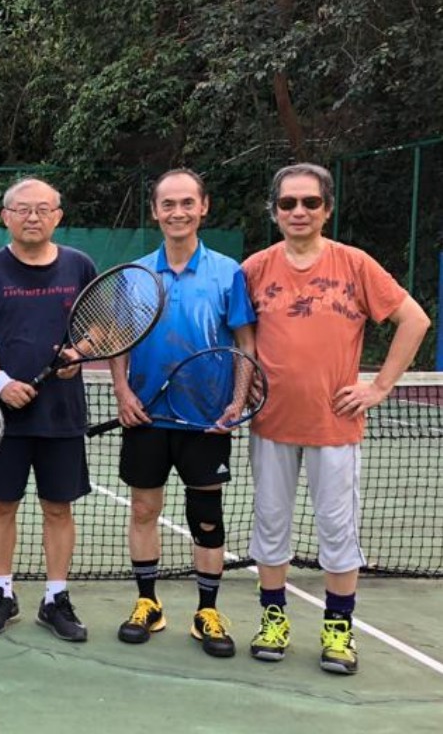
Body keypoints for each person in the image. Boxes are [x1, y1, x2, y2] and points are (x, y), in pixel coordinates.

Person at [243, 163, 429, 675]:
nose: (298, 212)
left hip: (335, 427)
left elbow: (414, 319)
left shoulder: (355, 264)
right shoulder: (255, 268)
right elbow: (240, 337)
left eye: (309, 203)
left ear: (327, 208)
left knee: (338, 531)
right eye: (288, 204)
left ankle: (338, 630)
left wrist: (380, 387)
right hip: (271, 425)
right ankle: (273, 619)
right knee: (271, 526)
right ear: (275, 210)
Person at [104, 170, 255, 657]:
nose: (177, 212)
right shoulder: (138, 274)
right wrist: (123, 391)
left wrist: (236, 401)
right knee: (145, 510)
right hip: (147, 417)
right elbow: (120, 341)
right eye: (168, 204)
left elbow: (244, 343)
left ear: (204, 206)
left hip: (206, 419)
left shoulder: (229, 271)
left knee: (205, 516)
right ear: (155, 211)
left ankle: (207, 610)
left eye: (187, 202)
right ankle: (148, 603)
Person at [0, 177, 95, 642]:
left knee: (58, 509)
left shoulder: (80, 265)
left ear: (58, 216)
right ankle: (2, 593)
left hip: (63, 415)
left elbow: (97, 328)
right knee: (3, 505)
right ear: (5, 217)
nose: (32, 217)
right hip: (2, 417)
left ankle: (56, 597)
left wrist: (79, 354)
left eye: (42, 209)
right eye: (22, 209)